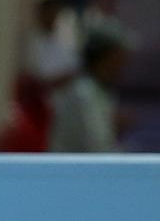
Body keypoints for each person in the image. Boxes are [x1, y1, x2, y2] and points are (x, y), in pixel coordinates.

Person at [49, 22, 133, 154]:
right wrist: (115, 127)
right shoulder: (83, 95)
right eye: (117, 62)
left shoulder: (99, 92)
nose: (121, 69)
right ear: (103, 60)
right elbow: (99, 149)